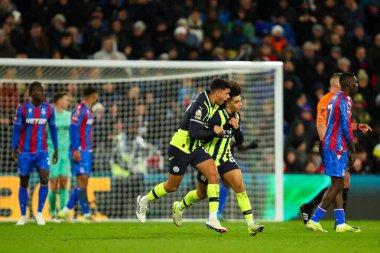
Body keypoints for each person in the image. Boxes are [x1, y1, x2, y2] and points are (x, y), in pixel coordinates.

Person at [136, 77, 231, 233]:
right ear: (218, 92)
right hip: (180, 148)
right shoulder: (202, 104)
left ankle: (213, 219)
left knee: (214, 176)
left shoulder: (212, 101)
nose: (228, 97)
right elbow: (194, 133)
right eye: (226, 93)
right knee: (172, 186)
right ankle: (144, 200)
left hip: (196, 149)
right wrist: (213, 132)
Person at [171, 80, 264, 236]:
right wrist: (214, 130)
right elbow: (201, 136)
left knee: (240, 186)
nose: (240, 104)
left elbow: (239, 141)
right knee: (201, 194)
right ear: (227, 103)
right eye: (237, 101)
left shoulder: (236, 116)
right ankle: (179, 206)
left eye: (240, 100)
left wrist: (237, 129)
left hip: (226, 158)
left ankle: (251, 224)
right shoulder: (215, 116)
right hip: (208, 159)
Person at [299, 73, 372, 225]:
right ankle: (317, 212)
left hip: (336, 144)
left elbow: (340, 124)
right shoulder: (326, 100)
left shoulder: (341, 101)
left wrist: (358, 126)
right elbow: (321, 125)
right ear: (337, 85)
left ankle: (337, 220)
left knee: (342, 180)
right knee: (339, 181)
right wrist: (328, 145)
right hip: (330, 145)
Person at [12, 81, 58, 225]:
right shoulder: (23, 109)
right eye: (40, 91)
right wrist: (14, 148)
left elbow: (53, 129)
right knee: (24, 182)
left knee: (45, 178)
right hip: (25, 152)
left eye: (44, 91)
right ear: (31, 92)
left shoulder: (49, 109)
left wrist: (56, 148)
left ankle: (39, 213)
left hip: (42, 151)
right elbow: (17, 130)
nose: (43, 93)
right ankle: (23, 215)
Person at [58, 87, 98, 222]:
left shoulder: (87, 109)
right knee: (82, 181)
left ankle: (65, 210)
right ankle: (85, 214)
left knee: (83, 183)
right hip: (79, 150)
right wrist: (75, 149)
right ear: (93, 95)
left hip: (87, 150)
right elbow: (73, 129)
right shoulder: (80, 109)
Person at [47, 92, 71, 221]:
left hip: (65, 154)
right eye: (66, 100)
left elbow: (73, 134)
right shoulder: (50, 116)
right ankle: (52, 212)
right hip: (52, 153)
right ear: (59, 101)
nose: (68, 102)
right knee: (53, 184)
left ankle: (63, 213)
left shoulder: (69, 116)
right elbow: (44, 134)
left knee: (64, 183)